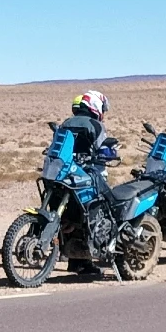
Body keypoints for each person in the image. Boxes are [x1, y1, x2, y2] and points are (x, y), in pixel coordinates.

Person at [55, 90, 115, 276]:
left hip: (66, 174)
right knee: (104, 209)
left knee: (69, 213)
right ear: (96, 106)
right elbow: (103, 149)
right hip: (90, 176)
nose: (103, 112)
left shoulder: (66, 123)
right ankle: (103, 252)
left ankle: (74, 260)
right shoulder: (95, 125)